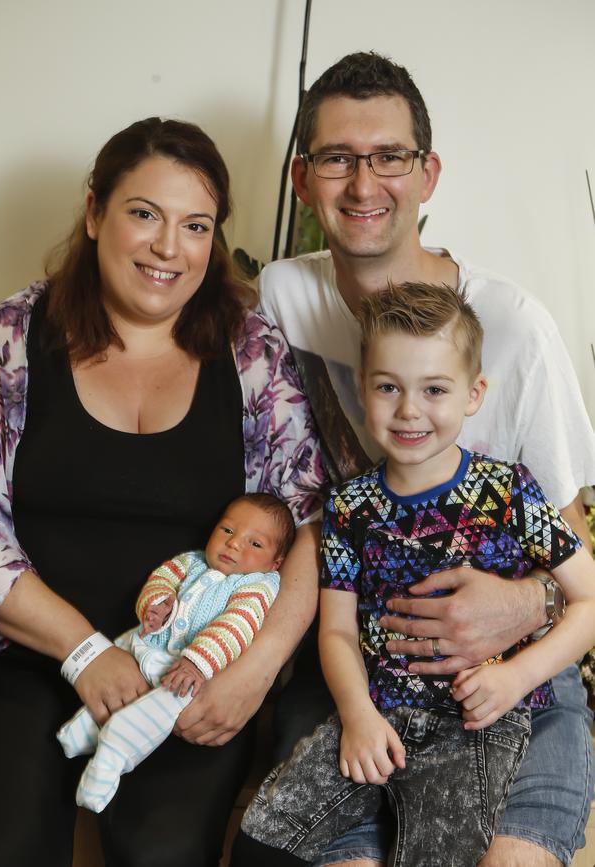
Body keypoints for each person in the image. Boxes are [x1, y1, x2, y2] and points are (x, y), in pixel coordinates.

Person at [0, 117, 327, 867]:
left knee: (161, 854)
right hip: (19, 660)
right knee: (4, 851)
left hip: (188, 667)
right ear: (94, 214)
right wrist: (84, 650)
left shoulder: (250, 349)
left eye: (195, 225)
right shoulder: (8, 336)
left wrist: (252, 671)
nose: (167, 247)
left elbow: (311, 517)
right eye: (144, 214)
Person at [255, 52, 595, 866]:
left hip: (508, 683)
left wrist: (523, 606)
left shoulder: (514, 327)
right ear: (303, 180)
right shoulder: (278, 299)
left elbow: (573, 523)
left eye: (390, 158)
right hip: (369, 681)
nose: (363, 184)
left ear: (428, 172)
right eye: (338, 158)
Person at [234, 283, 595, 867]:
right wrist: (356, 716)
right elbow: (337, 633)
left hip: (475, 723)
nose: (409, 410)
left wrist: (515, 679)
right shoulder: (349, 508)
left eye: (434, 390)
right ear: (362, 387)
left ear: (474, 394)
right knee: (262, 839)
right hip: (378, 713)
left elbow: (591, 601)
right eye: (388, 388)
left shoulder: (509, 492)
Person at [58, 493, 293, 813]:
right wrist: (156, 604)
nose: (235, 544)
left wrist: (197, 662)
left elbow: (238, 624)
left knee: (160, 706)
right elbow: (161, 579)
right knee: (119, 654)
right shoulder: (192, 561)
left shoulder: (258, 585)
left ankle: (113, 757)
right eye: (227, 531)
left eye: (255, 544)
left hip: (196, 671)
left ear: (275, 562)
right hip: (149, 646)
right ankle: (86, 728)